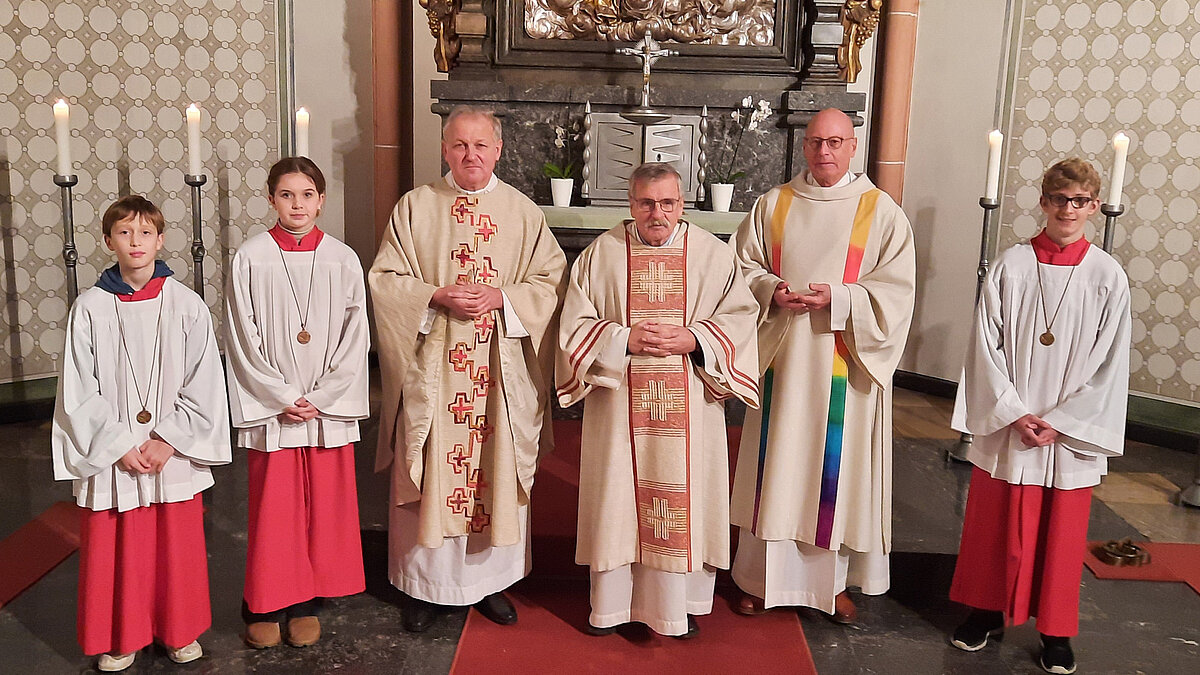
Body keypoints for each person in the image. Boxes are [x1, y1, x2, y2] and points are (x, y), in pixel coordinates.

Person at [369, 106, 567, 633]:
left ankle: (489, 584)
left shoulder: (523, 213)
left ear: (498, 150)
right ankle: (423, 586)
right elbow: (385, 279)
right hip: (434, 369)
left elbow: (551, 283)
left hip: (498, 371)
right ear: (444, 148)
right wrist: (433, 294)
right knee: (433, 467)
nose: (470, 155)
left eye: (480, 145)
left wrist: (503, 296)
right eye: (459, 145)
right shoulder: (415, 207)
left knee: (493, 468)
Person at [728, 108, 916, 623]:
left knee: (834, 473)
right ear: (804, 147)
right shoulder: (775, 204)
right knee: (777, 465)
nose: (824, 152)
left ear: (853, 146)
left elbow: (897, 292)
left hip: (844, 359)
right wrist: (771, 289)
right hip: (783, 360)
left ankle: (828, 585)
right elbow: (739, 268)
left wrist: (841, 298)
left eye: (835, 142)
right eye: (815, 143)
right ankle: (758, 579)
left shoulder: (880, 212)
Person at [557, 163, 760, 638]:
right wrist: (623, 339)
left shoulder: (713, 256)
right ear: (630, 204)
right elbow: (573, 326)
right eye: (647, 203)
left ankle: (675, 605)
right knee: (619, 500)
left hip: (688, 401)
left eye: (667, 203)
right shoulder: (601, 255)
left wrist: (694, 339)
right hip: (620, 404)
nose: (657, 213)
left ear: (682, 204)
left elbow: (741, 319)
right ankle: (611, 607)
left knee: (679, 499)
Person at [948, 158, 1130, 675]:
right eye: (1058, 199)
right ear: (1043, 202)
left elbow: (1112, 362)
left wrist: (1066, 421)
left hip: (1064, 431)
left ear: (1094, 206)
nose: (1067, 209)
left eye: (1079, 201)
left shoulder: (1107, 276)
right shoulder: (1011, 265)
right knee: (993, 522)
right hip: (1014, 423)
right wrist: (1012, 411)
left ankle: (1055, 631)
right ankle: (985, 611)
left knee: (1062, 532)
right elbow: (985, 345)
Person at [53, 195, 231, 672]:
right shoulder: (89, 307)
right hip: (118, 454)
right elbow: (77, 388)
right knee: (119, 546)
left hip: (170, 450)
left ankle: (179, 630)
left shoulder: (186, 304)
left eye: (145, 233)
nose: (136, 242)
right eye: (125, 233)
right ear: (108, 240)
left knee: (178, 545)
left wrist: (168, 439)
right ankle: (122, 633)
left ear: (161, 239)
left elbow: (205, 379)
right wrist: (117, 445)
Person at [224, 157, 370, 649]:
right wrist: (283, 396)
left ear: (321, 200)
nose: (298, 205)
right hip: (275, 408)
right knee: (275, 508)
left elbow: (356, 336)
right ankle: (263, 604)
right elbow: (241, 335)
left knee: (322, 509)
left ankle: (305, 602)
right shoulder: (251, 257)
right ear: (270, 199)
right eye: (287, 195)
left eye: (307, 194)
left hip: (325, 408)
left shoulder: (342, 259)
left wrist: (323, 397)